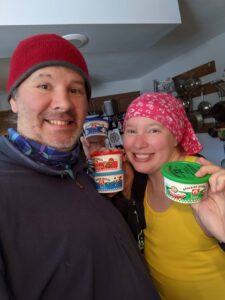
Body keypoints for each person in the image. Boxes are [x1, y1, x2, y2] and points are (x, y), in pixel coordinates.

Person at [0, 34, 160, 300]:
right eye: (44, 86)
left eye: (75, 90)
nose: (63, 103)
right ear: (14, 100)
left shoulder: (82, 167)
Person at [118, 92, 225, 300]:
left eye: (153, 130)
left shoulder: (202, 181)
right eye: (131, 131)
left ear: (176, 136)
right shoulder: (141, 179)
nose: (138, 144)